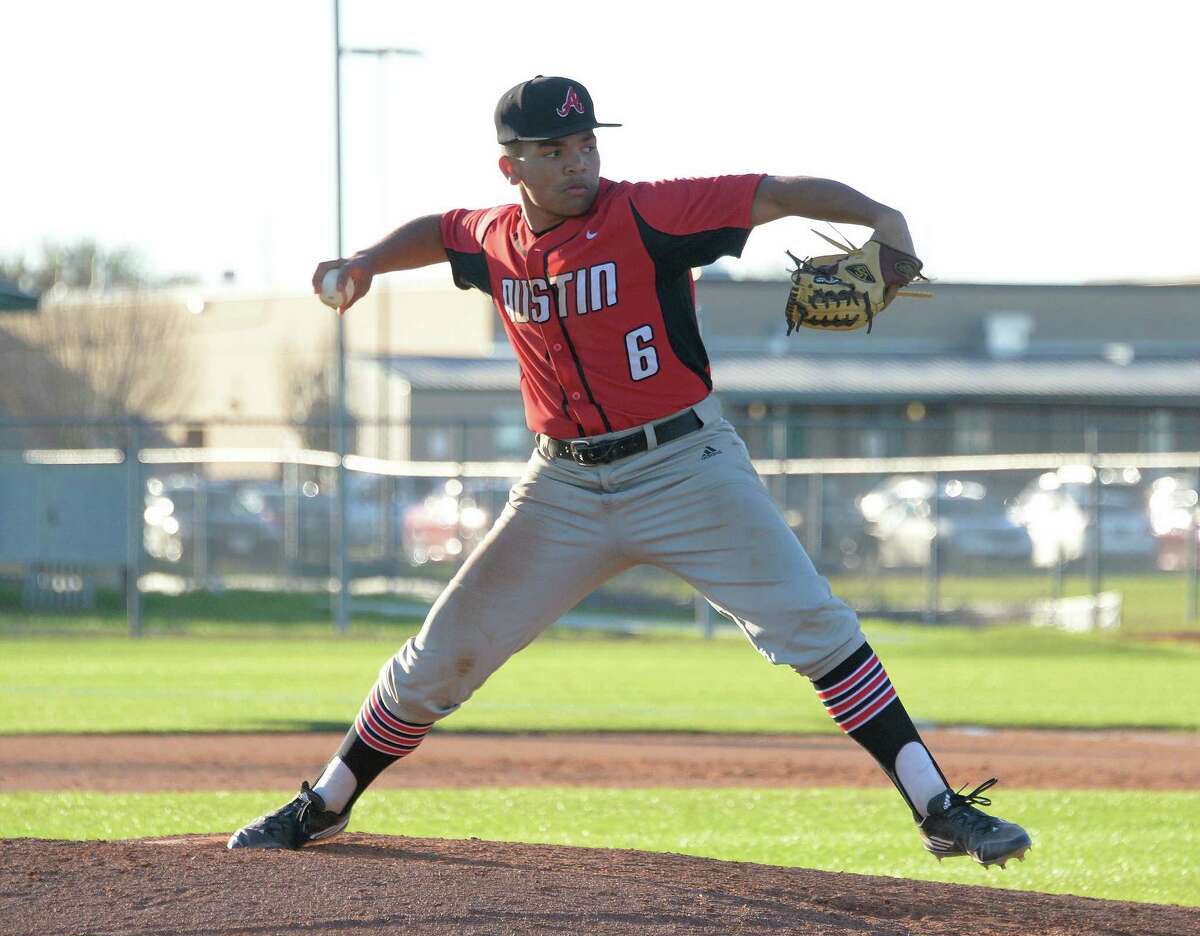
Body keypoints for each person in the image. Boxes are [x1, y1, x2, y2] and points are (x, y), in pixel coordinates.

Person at [228, 75, 1032, 869]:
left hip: (687, 466)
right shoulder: (495, 237)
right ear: (511, 166)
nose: (579, 161)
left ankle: (937, 807)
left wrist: (882, 217)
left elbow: (774, 191)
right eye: (555, 149)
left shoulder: (647, 212)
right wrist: (367, 261)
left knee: (816, 628)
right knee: (439, 659)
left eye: (587, 144)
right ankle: (325, 804)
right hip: (563, 490)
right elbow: (442, 232)